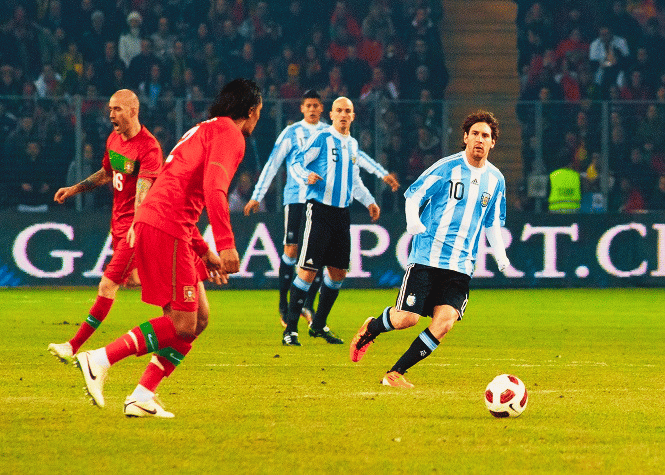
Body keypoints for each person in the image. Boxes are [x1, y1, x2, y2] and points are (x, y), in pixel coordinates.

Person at [72, 78, 262, 417]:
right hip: (167, 226)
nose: (258, 118)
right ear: (250, 111)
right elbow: (214, 190)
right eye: (259, 112)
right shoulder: (231, 135)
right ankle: (99, 359)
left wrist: (205, 252)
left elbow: (180, 189)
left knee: (199, 318)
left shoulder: (205, 129)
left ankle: (142, 395)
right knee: (183, 324)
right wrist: (228, 244)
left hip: (166, 224)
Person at [349, 110, 510, 388]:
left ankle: (395, 373)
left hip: (461, 266)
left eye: (486, 136)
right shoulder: (447, 167)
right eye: (475, 134)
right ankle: (372, 327)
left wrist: (501, 254)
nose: (479, 140)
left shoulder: (496, 180)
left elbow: (493, 222)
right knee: (406, 319)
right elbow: (414, 194)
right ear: (465, 137)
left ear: (493, 142)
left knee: (445, 322)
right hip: (427, 257)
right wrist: (413, 222)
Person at [244, 90, 399, 328]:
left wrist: (379, 178)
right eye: (309, 105)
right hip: (299, 198)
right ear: (303, 108)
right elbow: (275, 163)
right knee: (292, 251)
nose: (313, 109)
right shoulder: (293, 133)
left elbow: (356, 164)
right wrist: (258, 195)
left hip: (332, 205)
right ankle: (285, 307)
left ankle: (308, 308)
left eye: (317, 105)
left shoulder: (338, 135)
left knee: (325, 263)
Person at [48, 89, 163, 361]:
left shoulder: (149, 148)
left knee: (107, 285)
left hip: (137, 227)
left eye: (117, 109)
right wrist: (74, 189)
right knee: (134, 280)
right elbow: (106, 174)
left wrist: (137, 226)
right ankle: (183, 279)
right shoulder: (114, 139)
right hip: (119, 225)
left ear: (133, 111)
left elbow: (144, 193)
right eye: (110, 108)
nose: (111, 114)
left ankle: (72, 347)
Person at [281, 96, 380, 346]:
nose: (344, 114)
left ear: (353, 116)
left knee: (338, 273)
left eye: (348, 110)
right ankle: (290, 330)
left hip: (342, 214)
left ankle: (318, 324)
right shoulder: (323, 138)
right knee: (307, 270)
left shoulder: (353, 145)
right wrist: (306, 176)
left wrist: (369, 201)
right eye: (339, 110)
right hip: (320, 211)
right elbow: (295, 162)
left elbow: (354, 181)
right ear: (332, 115)